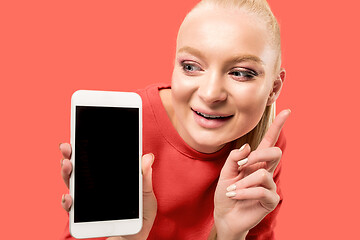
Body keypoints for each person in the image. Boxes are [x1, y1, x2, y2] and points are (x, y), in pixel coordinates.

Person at [59, 0, 290, 239]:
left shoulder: (262, 142)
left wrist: (230, 234)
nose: (210, 94)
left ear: (273, 89)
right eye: (191, 67)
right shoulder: (117, 125)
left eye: (240, 73)